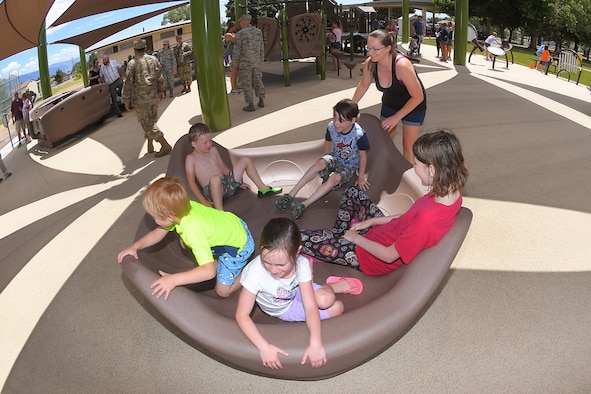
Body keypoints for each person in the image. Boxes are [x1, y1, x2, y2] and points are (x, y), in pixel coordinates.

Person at [300, 130, 469, 276]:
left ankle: (343, 239)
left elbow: (389, 256)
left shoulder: (427, 220)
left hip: (370, 258)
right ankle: (339, 234)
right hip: (382, 232)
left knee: (299, 238)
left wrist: (356, 238)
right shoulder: (449, 191)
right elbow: (409, 217)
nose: (413, 166)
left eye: (416, 164)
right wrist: (372, 221)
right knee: (353, 192)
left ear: (432, 170)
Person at [236, 217, 362, 370]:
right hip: (284, 308)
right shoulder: (255, 272)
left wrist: (315, 343)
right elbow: (242, 315)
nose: (273, 270)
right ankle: (328, 287)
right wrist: (264, 347)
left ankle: (332, 286)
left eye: (281, 264)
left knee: (326, 299)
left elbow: (310, 307)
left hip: (296, 290)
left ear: (297, 253)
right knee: (337, 308)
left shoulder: (301, 263)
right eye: (267, 262)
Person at [117, 176, 255, 298]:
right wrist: (135, 247)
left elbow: (209, 272)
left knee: (223, 291)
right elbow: (158, 232)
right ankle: (215, 260)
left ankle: (252, 271)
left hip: (240, 246)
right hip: (233, 223)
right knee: (184, 243)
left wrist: (173, 280)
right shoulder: (182, 207)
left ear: (169, 217)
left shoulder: (192, 231)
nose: (153, 220)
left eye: (154, 217)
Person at [275, 99, 370, 220]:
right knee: (320, 163)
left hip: (349, 165)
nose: (336, 123)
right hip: (335, 157)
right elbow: (328, 141)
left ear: (353, 120)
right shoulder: (331, 127)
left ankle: (304, 204)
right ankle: (291, 194)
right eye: (334, 117)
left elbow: (363, 156)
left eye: (341, 120)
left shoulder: (359, 135)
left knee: (334, 178)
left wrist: (361, 176)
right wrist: (328, 157)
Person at [352, 29, 427, 163]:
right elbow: (364, 84)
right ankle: (383, 171)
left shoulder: (401, 65)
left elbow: (418, 97)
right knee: (384, 141)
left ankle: (408, 178)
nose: (371, 53)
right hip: (391, 102)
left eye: (375, 49)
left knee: (408, 145)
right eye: (368, 48)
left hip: (413, 104)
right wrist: (351, 105)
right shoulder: (370, 63)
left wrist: (396, 118)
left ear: (388, 48)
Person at [185, 123, 282, 210]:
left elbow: (223, 168)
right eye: (205, 143)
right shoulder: (191, 159)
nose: (209, 144)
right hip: (214, 191)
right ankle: (220, 211)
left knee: (245, 160)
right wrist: (204, 201)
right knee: (215, 179)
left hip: (227, 183)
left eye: (210, 141)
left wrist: (237, 183)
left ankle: (263, 188)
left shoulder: (213, 150)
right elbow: (191, 183)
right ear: (194, 144)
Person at [122, 39, 173, 157]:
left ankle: (165, 145)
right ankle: (150, 146)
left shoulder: (132, 63)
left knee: (148, 123)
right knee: (152, 120)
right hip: (153, 95)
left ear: (134, 50)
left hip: (141, 99)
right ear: (145, 48)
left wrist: (126, 100)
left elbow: (128, 83)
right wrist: (161, 90)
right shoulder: (153, 59)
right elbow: (160, 77)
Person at [233, 14, 265, 112]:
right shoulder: (258, 32)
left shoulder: (240, 34)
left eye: (240, 21)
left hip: (245, 64)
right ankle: (261, 100)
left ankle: (250, 104)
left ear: (244, 21)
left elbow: (237, 51)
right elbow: (261, 48)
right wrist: (261, 60)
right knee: (258, 81)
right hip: (256, 62)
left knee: (247, 84)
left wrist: (234, 64)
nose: (240, 23)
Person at [224, 21, 240, 95]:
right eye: (235, 26)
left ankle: (235, 87)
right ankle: (233, 88)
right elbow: (236, 40)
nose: (236, 28)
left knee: (236, 71)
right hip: (230, 55)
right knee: (233, 71)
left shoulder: (233, 34)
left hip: (234, 54)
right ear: (232, 27)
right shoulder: (228, 35)